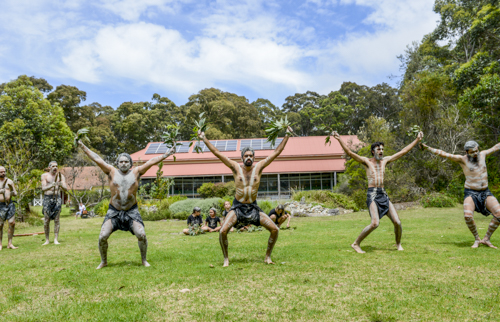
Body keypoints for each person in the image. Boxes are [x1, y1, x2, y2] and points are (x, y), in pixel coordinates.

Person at [198, 126, 293, 266]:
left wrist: (287, 135)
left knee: (274, 229)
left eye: (251, 156)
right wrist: (204, 138)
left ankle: (267, 257)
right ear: (242, 157)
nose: (248, 157)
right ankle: (226, 258)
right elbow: (217, 153)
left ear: (254, 157)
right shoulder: (235, 167)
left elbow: (276, 152)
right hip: (237, 207)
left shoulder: (259, 167)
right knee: (223, 231)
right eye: (246, 155)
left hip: (253, 208)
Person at [77, 139, 176, 269]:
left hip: (131, 211)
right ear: (117, 163)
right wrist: (83, 146)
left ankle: (144, 260)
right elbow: (97, 158)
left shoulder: (137, 172)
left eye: (126, 161)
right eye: (121, 161)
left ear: (130, 163)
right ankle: (103, 261)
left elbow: (151, 161)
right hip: (114, 211)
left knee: (141, 235)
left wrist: (167, 154)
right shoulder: (111, 171)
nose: (123, 163)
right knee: (102, 236)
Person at [331, 131, 423, 253]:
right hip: (372, 194)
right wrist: (339, 139)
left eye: (382, 149)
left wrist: (417, 140)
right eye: (378, 149)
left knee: (397, 222)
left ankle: (398, 244)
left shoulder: (385, 161)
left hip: (383, 194)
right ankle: (356, 244)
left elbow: (403, 152)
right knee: (375, 223)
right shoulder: (366, 161)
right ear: (373, 151)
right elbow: (349, 152)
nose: (381, 151)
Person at [422, 140, 500, 248]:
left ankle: (486, 239)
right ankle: (477, 239)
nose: (475, 153)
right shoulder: (462, 159)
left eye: (477, 150)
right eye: (472, 152)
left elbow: (496, 146)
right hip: (471, 192)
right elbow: (443, 153)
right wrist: (427, 148)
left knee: (499, 213)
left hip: (485, 191)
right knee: (468, 215)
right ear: (467, 152)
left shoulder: (483, 155)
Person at [41, 161, 68, 245]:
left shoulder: (61, 176)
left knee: (57, 219)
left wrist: (61, 185)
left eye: (56, 166)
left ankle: (56, 239)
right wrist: (52, 185)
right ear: (49, 167)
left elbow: (65, 189)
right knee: (46, 220)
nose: (55, 168)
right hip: (47, 198)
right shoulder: (44, 176)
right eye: (53, 166)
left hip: (57, 198)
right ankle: (47, 240)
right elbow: (43, 188)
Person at [0, 166, 18, 250]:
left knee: (12, 223)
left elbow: (15, 193)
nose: (3, 173)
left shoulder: (9, 181)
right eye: (1, 172)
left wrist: (11, 193)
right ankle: (0, 244)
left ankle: (9, 243)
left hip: (9, 204)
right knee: (0, 225)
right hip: (0, 205)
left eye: (4, 172)